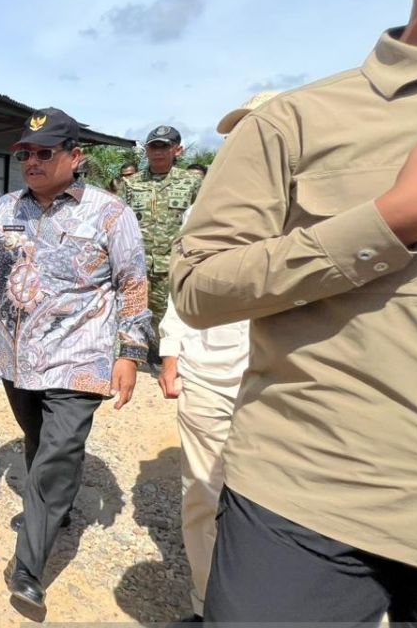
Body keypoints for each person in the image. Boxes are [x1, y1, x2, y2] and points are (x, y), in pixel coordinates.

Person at [171, 0, 417, 623]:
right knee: (198, 496)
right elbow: (192, 281)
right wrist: (390, 220)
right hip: (312, 491)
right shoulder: (297, 124)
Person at [0, 108, 148, 619]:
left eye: (45, 153)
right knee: (38, 442)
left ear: (74, 157)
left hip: (80, 357)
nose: (32, 162)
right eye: (26, 153)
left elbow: (132, 284)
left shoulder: (109, 214)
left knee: (58, 452)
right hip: (17, 358)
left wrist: (130, 352)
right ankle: (54, 508)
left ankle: (28, 568)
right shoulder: (4, 211)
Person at [157, 91, 278, 622]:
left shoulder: (330, 213)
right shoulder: (204, 212)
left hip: (284, 388)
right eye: (239, 137)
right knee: (202, 498)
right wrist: (170, 353)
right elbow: (184, 289)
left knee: (273, 512)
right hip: (209, 376)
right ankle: (209, 606)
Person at [118, 126, 200, 368]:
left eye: (164, 146)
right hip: (139, 263)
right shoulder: (132, 184)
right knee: (139, 311)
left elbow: (202, 221)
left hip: (175, 263)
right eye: (153, 146)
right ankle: (145, 357)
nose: (158, 152)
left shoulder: (192, 182)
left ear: (178, 150)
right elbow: (121, 222)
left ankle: (172, 361)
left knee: (174, 314)